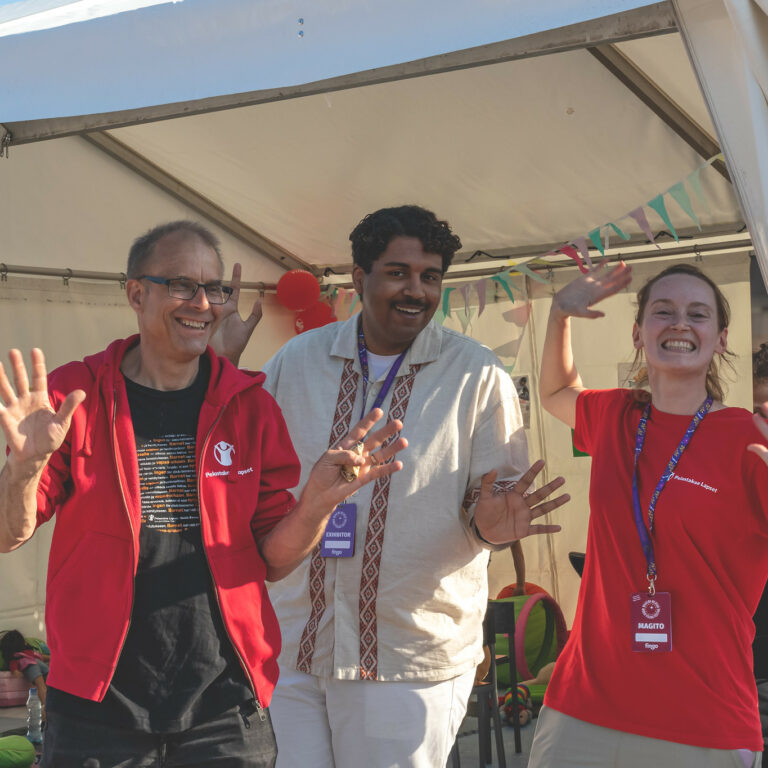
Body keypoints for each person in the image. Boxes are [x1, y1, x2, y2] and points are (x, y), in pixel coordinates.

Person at [0, 220, 407, 768]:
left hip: (225, 706)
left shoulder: (249, 405)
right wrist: (23, 470)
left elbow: (272, 561)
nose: (205, 303)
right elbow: (9, 535)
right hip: (97, 705)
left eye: (214, 288)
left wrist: (315, 502)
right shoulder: (77, 395)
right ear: (137, 293)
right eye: (182, 285)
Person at [218, 204, 570, 767]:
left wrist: (492, 527)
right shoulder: (298, 359)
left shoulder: (477, 374)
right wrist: (218, 362)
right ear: (359, 278)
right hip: (293, 645)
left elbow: (495, 505)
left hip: (406, 655)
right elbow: (236, 464)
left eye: (430, 277)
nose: (417, 290)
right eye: (398, 273)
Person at [530, 260, 768, 767]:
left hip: (703, 719)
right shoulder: (617, 415)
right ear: (638, 333)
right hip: (582, 709)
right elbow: (553, 393)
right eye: (664, 311)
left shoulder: (747, 437)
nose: (680, 323)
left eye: (697, 314)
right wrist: (559, 316)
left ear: (721, 338)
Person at [0, 630, 49, 706]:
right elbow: (13, 665)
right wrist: (15, 671)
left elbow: (40, 656)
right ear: (23, 643)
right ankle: (45, 705)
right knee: (41, 685)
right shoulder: (18, 656)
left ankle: (48, 704)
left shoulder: (25, 653)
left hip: (36, 663)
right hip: (32, 665)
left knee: (45, 684)